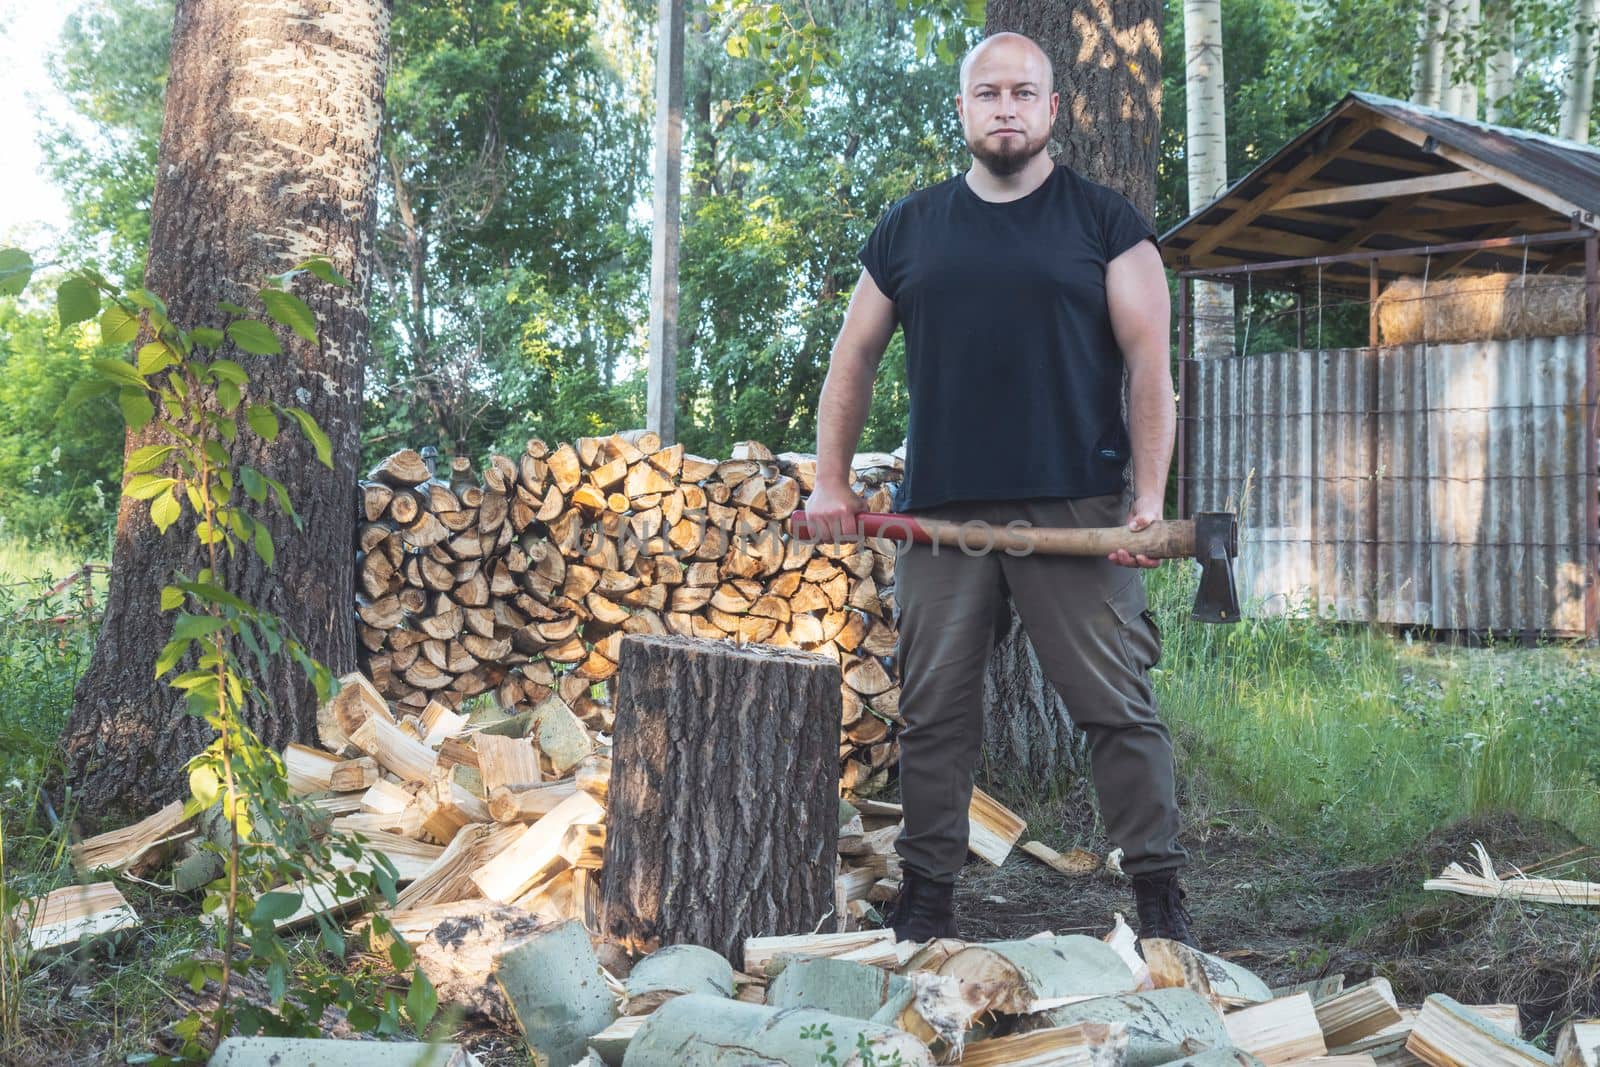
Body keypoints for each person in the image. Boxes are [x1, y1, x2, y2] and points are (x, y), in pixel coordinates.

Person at [805, 31, 1194, 946]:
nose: (1007, 107)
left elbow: (1149, 363)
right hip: (941, 513)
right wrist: (829, 481)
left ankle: (1161, 900)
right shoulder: (910, 229)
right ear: (964, 110)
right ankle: (929, 897)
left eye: (1025, 92)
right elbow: (852, 356)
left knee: (1117, 709)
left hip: (1079, 508)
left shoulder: (1108, 222)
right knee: (934, 714)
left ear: (1054, 110)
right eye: (989, 93)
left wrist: (1146, 497)